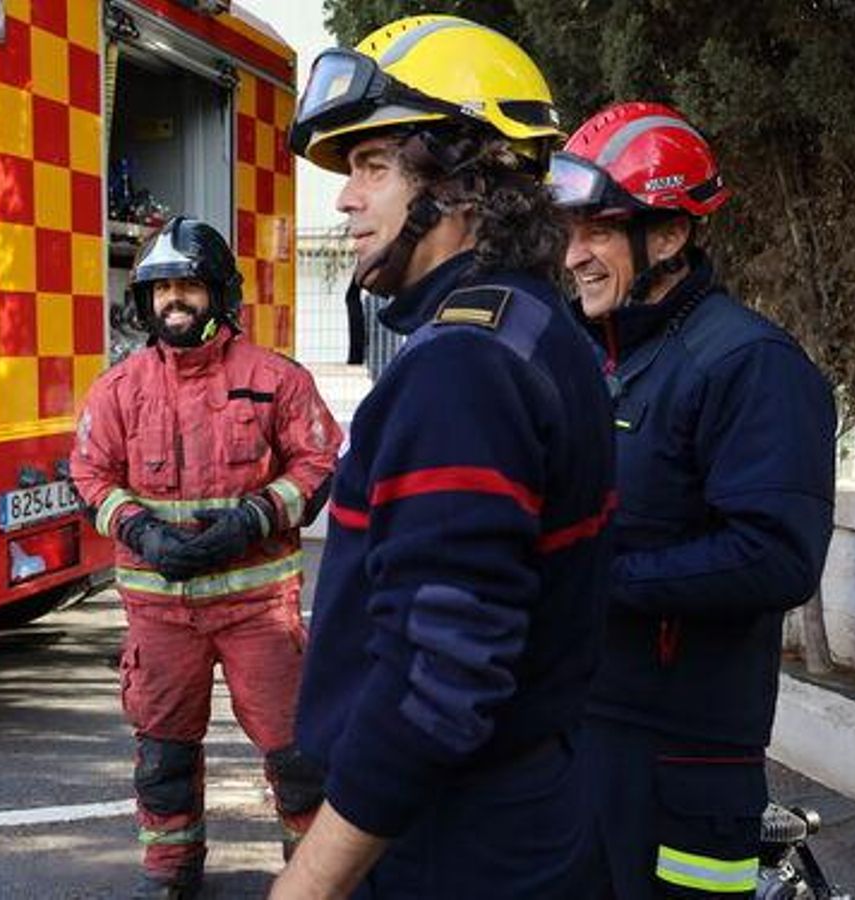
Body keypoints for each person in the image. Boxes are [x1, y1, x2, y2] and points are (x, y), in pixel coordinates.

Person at [275, 15, 617, 898]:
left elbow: (440, 678)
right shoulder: (538, 326)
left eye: (372, 166)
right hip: (520, 814)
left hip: (456, 843)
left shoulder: (463, 366)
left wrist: (307, 884)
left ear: (463, 185)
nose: (345, 200)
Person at [549, 102, 837, 898]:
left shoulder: (752, 365)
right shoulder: (583, 354)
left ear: (670, 234)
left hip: (685, 764)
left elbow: (777, 555)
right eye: (570, 231)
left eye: (599, 230)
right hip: (575, 734)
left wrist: (592, 575)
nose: (575, 255)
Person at [70, 216, 342, 899]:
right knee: (163, 754)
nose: (173, 302)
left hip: (257, 611)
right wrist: (140, 532)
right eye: (160, 291)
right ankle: (171, 874)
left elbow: (317, 462)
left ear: (219, 293)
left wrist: (253, 518)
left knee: (297, 755)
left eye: (188, 286)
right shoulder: (118, 389)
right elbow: (90, 476)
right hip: (160, 615)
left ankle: (313, 876)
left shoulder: (275, 378)